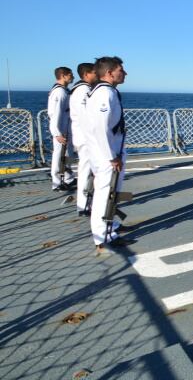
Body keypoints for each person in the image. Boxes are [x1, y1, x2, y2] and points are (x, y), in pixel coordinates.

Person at [86, 56, 134, 249]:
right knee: (105, 193)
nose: (124, 73)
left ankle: (109, 226)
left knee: (110, 192)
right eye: (120, 70)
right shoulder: (105, 94)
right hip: (107, 153)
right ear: (109, 72)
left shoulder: (103, 92)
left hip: (106, 151)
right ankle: (103, 235)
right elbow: (101, 127)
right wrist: (111, 156)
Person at [69, 63, 97, 214]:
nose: (97, 74)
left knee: (87, 170)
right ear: (86, 74)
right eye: (94, 72)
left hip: (84, 136)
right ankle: (85, 204)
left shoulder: (81, 89)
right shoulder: (83, 90)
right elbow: (85, 115)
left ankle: (86, 202)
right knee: (86, 170)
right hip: (86, 138)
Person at [48, 66, 76, 191]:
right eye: (70, 75)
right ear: (63, 75)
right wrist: (57, 133)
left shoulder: (63, 91)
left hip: (65, 128)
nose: (73, 77)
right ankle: (57, 182)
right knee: (59, 155)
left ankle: (68, 178)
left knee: (66, 155)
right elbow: (55, 113)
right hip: (61, 129)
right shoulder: (59, 92)